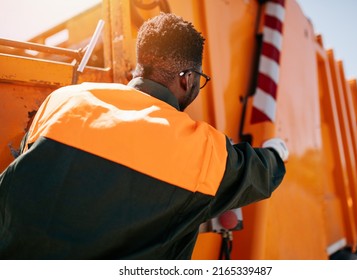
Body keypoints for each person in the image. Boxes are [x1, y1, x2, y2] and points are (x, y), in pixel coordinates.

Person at [0, 13, 287, 260]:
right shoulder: (200, 149)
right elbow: (259, 173)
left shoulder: (62, 100)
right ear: (187, 78)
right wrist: (277, 150)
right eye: (199, 79)